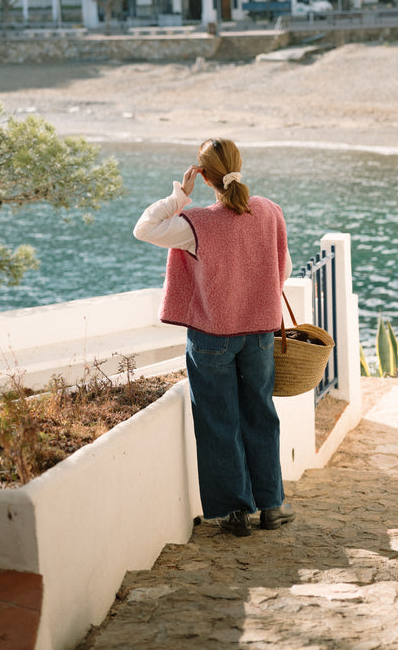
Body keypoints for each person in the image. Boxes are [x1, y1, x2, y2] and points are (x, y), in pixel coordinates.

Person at [133, 138, 295, 537]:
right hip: (258, 334)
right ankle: (272, 506)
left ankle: (235, 512)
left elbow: (144, 229)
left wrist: (178, 196)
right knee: (260, 415)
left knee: (218, 420)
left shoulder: (196, 224)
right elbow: (284, 270)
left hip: (211, 338)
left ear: (204, 176)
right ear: (240, 164)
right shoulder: (270, 212)